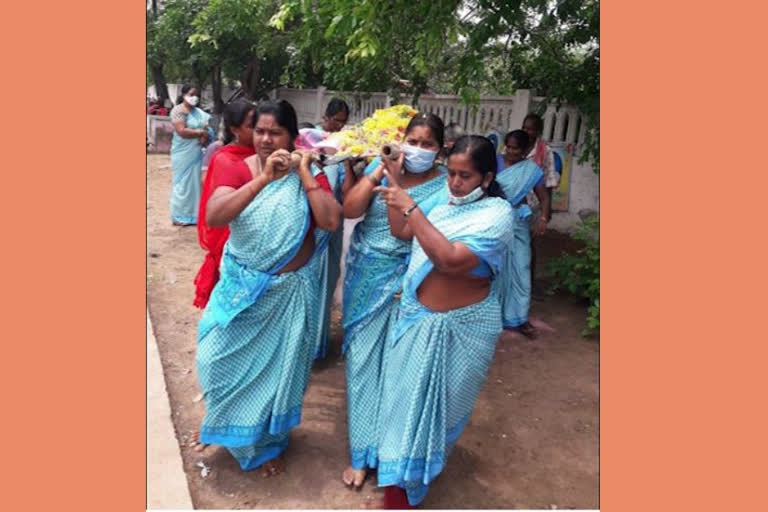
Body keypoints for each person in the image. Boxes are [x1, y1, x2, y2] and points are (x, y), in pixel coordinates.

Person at [194, 100, 342, 475]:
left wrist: (305, 172)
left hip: (289, 295)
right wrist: (264, 180)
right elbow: (214, 215)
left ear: (292, 136)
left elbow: (329, 220)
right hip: (242, 292)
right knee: (214, 361)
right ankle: (225, 424)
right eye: (259, 130)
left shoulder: (309, 173)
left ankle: (265, 445)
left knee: (278, 375)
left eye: (275, 132)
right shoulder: (238, 168)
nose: (265, 139)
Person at [373, 135, 515, 507]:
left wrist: (412, 209)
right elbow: (401, 232)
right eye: (450, 173)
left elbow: (450, 260)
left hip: (463, 329)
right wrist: (394, 182)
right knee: (403, 407)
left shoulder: (497, 213)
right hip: (418, 321)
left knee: (439, 411)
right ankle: (398, 488)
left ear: (485, 178)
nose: (454, 183)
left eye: (464, 176)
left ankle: (416, 477)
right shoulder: (443, 206)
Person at [339, 112, 449, 489]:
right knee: (362, 364)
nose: (417, 150)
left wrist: (398, 184)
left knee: (397, 369)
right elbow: (350, 210)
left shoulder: (442, 186)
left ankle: (388, 455)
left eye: (427, 144)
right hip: (365, 278)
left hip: (408, 283)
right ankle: (360, 454)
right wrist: (377, 173)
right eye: (413, 141)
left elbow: (407, 236)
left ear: (440, 150)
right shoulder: (381, 164)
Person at [192, 99, 256, 310]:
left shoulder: (262, 153)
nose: (258, 131)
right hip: (231, 230)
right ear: (234, 129)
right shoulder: (225, 158)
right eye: (251, 125)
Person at [497, 130, 549, 338]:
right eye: (508, 146)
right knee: (497, 270)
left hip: (518, 223)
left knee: (521, 267)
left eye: (515, 148)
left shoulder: (531, 170)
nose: (510, 151)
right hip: (496, 221)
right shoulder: (495, 163)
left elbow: (544, 198)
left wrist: (543, 219)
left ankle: (519, 318)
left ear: (526, 150)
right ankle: (494, 315)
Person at [312, 98, 351, 360]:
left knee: (326, 284)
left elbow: (347, 196)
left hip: (333, 228)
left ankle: (317, 346)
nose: (338, 125)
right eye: (335, 120)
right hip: (312, 228)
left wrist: (346, 159)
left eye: (343, 122)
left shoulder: (345, 148)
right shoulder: (311, 141)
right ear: (326, 117)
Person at [169, 85, 214, 226]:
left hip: (198, 151)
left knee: (197, 183)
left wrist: (206, 135)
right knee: (183, 183)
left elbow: (208, 128)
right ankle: (180, 215)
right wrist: (200, 132)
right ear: (183, 95)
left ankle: (195, 215)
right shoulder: (178, 111)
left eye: (197, 94)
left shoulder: (200, 113)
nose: (195, 97)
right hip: (183, 153)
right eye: (191, 94)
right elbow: (181, 130)